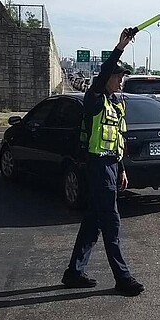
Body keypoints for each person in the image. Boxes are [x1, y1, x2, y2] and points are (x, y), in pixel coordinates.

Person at [62, 27, 144, 296]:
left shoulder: (116, 103)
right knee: (112, 222)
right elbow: (102, 76)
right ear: (107, 78)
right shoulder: (95, 99)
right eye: (118, 76)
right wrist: (119, 46)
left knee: (94, 221)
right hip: (96, 166)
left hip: (110, 166)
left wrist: (121, 169)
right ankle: (123, 278)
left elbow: (117, 138)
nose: (121, 80)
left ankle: (74, 272)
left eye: (122, 76)